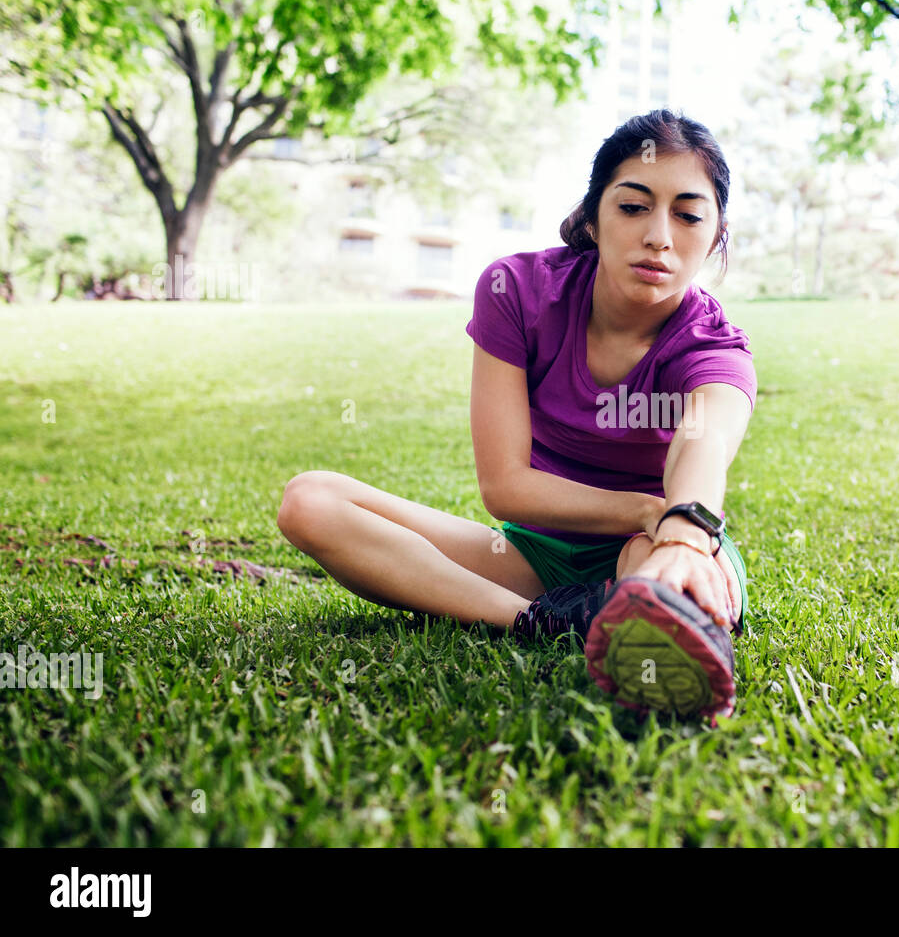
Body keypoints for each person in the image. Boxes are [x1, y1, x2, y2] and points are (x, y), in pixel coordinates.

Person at [276, 109, 756, 721]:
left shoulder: (714, 346)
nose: (660, 236)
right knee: (310, 502)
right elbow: (506, 487)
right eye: (633, 207)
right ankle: (553, 623)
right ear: (593, 216)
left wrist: (682, 535)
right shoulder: (518, 291)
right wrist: (643, 505)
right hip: (537, 560)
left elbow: (703, 442)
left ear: (716, 235)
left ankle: (652, 618)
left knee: (651, 572)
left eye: (688, 215)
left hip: (670, 543)